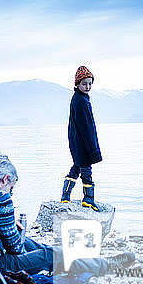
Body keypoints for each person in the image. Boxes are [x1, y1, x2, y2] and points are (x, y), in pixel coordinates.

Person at [0, 159, 134, 284]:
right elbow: (15, 249)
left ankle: (86, 260)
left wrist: (7, 229)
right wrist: (13, 231)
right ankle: (106, 266)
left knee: (33, 244)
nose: (10, 193)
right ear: (6, 179)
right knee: (51, 255)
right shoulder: (0, 198)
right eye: (11, 188)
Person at [61, 66, 102, 210]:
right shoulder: (81, 101)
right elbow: (87, 127)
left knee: (76, 167)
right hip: (82, 142)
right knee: (86, 171)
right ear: (77, 84)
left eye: (90, 83)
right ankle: (88, 199)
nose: (88, 86)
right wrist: (93, 149)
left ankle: (65, 197)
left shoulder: (77, 98)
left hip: (75, 141)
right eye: (84, 83)